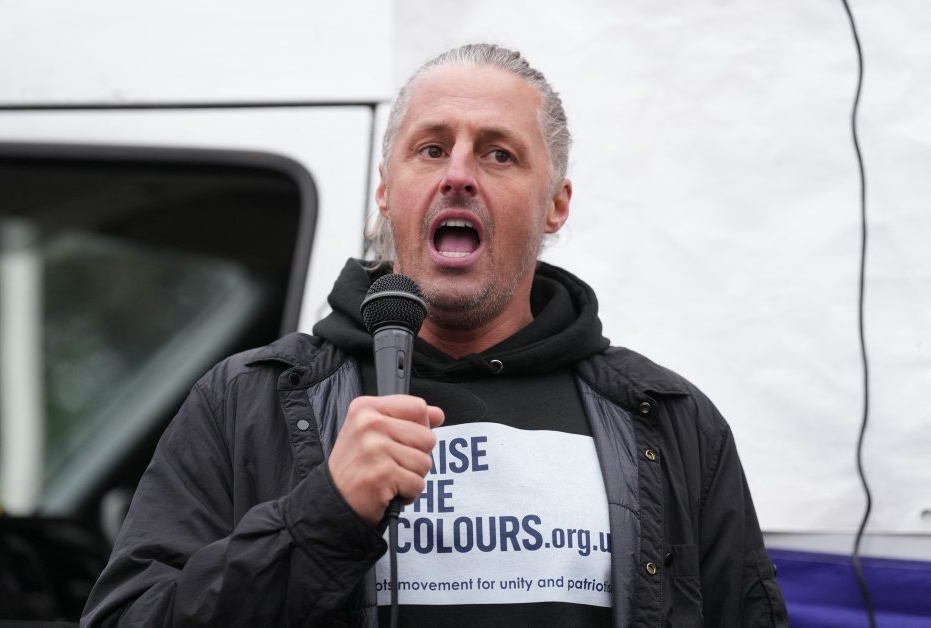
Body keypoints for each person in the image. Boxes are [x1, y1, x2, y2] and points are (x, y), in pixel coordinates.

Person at [82, 43, 788, 627]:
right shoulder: (246, 402)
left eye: (498, 154)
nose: (458, 175)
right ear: (386, 190)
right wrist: (322, 515)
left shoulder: (669, 421)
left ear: (556, 204)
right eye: (430, 148)